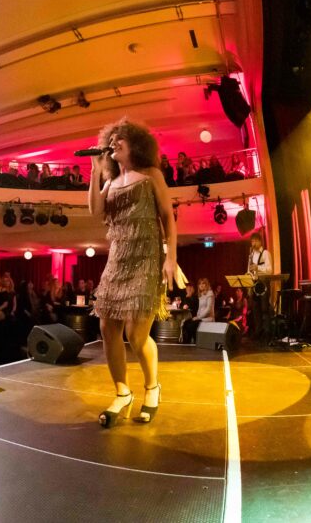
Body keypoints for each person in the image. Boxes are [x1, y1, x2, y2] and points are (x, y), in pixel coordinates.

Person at [88, 118, 182, 428]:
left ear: (135, 144)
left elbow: (167, 217)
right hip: (118, 258)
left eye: (120, 138)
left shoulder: (151, 174)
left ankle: (152, 387)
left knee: (137, 335)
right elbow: (95, 210)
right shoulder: (111, 182)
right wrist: (95, 170)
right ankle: (123, 393)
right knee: (107, 326)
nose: (113, 142)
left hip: (147, 257)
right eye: (111, 138)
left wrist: (171, 258)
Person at [247, 231, 273, 339]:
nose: (253, 244)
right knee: (255, 309)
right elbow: (249, 270)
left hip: (263, 284)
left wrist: (258, 267)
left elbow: (270, 270)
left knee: (264, 308)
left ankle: (267, 332)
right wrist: (248, 277)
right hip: (254, 284)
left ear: (260, 241)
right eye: (252, 241)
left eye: (255, 241)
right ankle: (258, 331)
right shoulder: (251, 255)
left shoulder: (266, 253)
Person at [182, 278, 215, 343]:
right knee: (186, 323)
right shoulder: (201, 295)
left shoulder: (210, 293)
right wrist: (196, 317)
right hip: (201, 317)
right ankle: (186, 343)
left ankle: (195, 341)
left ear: (206, 285)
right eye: (200, 284)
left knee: (192, 325)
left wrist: (198, 317)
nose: (201, 285)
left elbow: (208, 309)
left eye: (203, 283)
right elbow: (199, 309)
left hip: (208, 318)